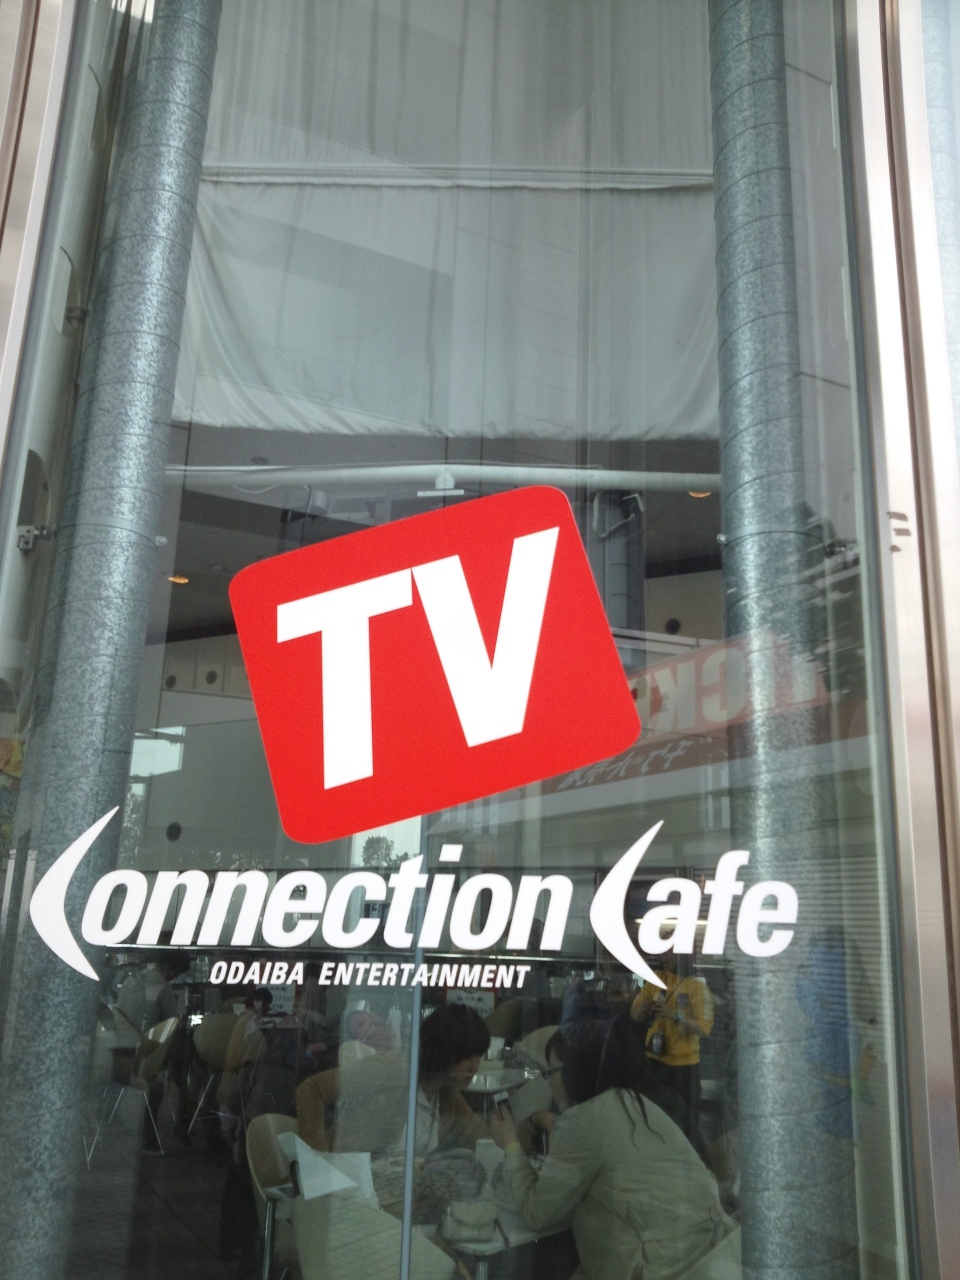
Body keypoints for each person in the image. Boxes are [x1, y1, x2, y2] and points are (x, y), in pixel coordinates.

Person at [490, 1014, 738, 1280]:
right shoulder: (635, 1102)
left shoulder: (581, 1122)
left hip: (658, 1269)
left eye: (551, 1072)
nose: (548, 1082)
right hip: (707, 1258)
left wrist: (510, 1144)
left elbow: (537, 1213)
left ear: (574, 1071)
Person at [297, 1001, 492, 1155]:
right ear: (445, 1049)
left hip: (389, 1191)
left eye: (479, 1057)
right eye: (468, 1057)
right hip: (344, 1183)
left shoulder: (446, 1096)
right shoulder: (391, 1069)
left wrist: (507, 1142)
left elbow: (482, 1138)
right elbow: (311, 1090)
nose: (474, 1067)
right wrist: (317, 1162)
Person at [630, 951, 713, 1141]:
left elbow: (703, 1028)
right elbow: (634, 1014)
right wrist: (642, 1010)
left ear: (682, 955)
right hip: (654, 1064)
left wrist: (675, 1015)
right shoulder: (656, 979)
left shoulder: (697, 986)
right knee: (653, 1121)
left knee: (685, 1125)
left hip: (684, 1069)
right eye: (662, 953)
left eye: (669, 953)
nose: (663, 958)